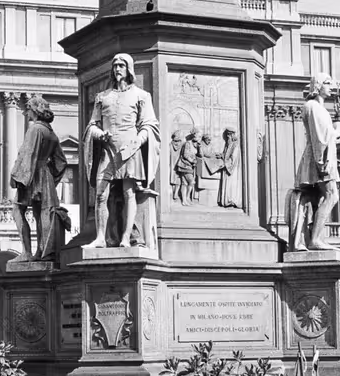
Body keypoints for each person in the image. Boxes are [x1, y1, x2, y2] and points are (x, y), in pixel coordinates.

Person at [84, 54, 161, 247]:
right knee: (101, 194)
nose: (117, 69)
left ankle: (126, 238)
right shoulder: (102, 97)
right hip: (108, 150)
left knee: (129, 193)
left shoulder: (142, 96)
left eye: (121, 65)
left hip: (129, 151)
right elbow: (92, 125)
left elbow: (149, 125)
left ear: (129, 69)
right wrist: (100, 134)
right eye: (115, 65)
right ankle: (100, 238)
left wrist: (138, 141)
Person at [10, 94, 68, 262]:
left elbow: (27, 154)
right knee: (40, 213)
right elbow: (62, 162)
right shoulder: (51, 132)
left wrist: (18, 177)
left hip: (32, 175)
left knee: (17, 210)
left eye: (28, 108)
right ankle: (42, 251)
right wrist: (51, 178)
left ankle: (26, 252)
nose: (26, 112)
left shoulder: (35, 129)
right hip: (45, 176)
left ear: (35, 110)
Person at [291, 73, 340, 251]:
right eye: (327, 83)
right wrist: (339, 131)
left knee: (319, 198)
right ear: (318, 85)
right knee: (332, 195)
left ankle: (315, 238)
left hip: (320, 157)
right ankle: (314, 240)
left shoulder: (318, 108)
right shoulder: (313, 106)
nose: (331, 87)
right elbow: (321, 138)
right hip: (320, 159)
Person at [175, 129, 201, 206]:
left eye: (199, 136)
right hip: (185, 165)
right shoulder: (188, 143)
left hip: (190, 166)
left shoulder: (196, 145)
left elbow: (200, 155)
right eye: (198, 136)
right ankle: (186, 198)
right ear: (194, 135)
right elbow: (185, 155)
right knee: (192, 182)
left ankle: (185, 200)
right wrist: (192, 161)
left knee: (185, 183)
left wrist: (200, 147)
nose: (199, 137)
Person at [217, 129, 242, 208]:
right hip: (227, 167)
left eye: (228, 136)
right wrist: (221, 155)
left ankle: (231, 201)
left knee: (231, 185)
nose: (227, 138)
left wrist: (226, 164)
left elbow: (234, 157)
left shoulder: (235, 145)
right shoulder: (228, 144)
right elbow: (226, 154)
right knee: (227, 184)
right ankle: (226, 201)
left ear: (231, 135)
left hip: (232, 169)